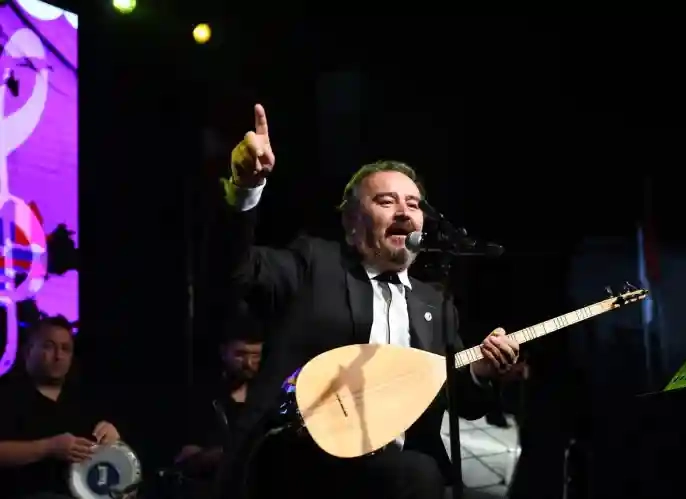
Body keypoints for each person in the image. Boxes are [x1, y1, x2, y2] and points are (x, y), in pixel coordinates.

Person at [216, 104, 521, 499]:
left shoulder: (435, 304)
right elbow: (234, 271)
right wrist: (244, 191)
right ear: (351, 223)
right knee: (415, 474)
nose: (404, 212)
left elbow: (464, 402)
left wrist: (480, 370)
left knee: (420, 472)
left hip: (394, 469)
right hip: (301, 456)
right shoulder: (314, 263)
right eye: (386, 202)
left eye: (414, 204)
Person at [0, 316, 122, 499]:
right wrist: (48, 448)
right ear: (28, 351)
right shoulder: (7, 393)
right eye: (48, 347)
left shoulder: (84, 399)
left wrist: (113, 440)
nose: (58, 356)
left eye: (65, 349)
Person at [175, 312, 264, 478]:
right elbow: (186, 457)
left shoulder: (266, 396)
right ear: (223, 352)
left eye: (255, 355)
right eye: (240, 355)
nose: (248, 363)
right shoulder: (202, 397)